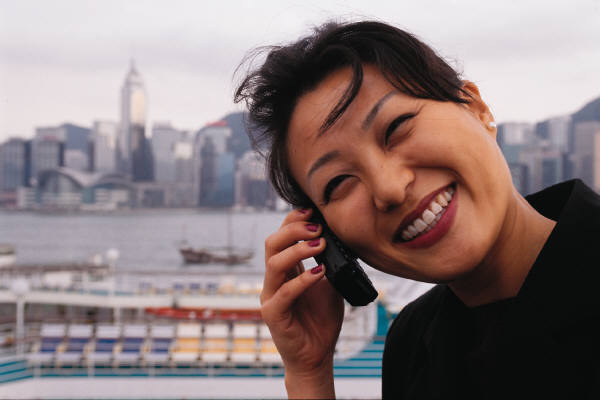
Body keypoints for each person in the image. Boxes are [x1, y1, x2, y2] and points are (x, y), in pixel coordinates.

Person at [234, 20, 600, 399]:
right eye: (339, 183)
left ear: (476, 109)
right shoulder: (412, 343)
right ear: (326, 234)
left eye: (397, 128)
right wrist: (309, 374)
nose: (389, 188)